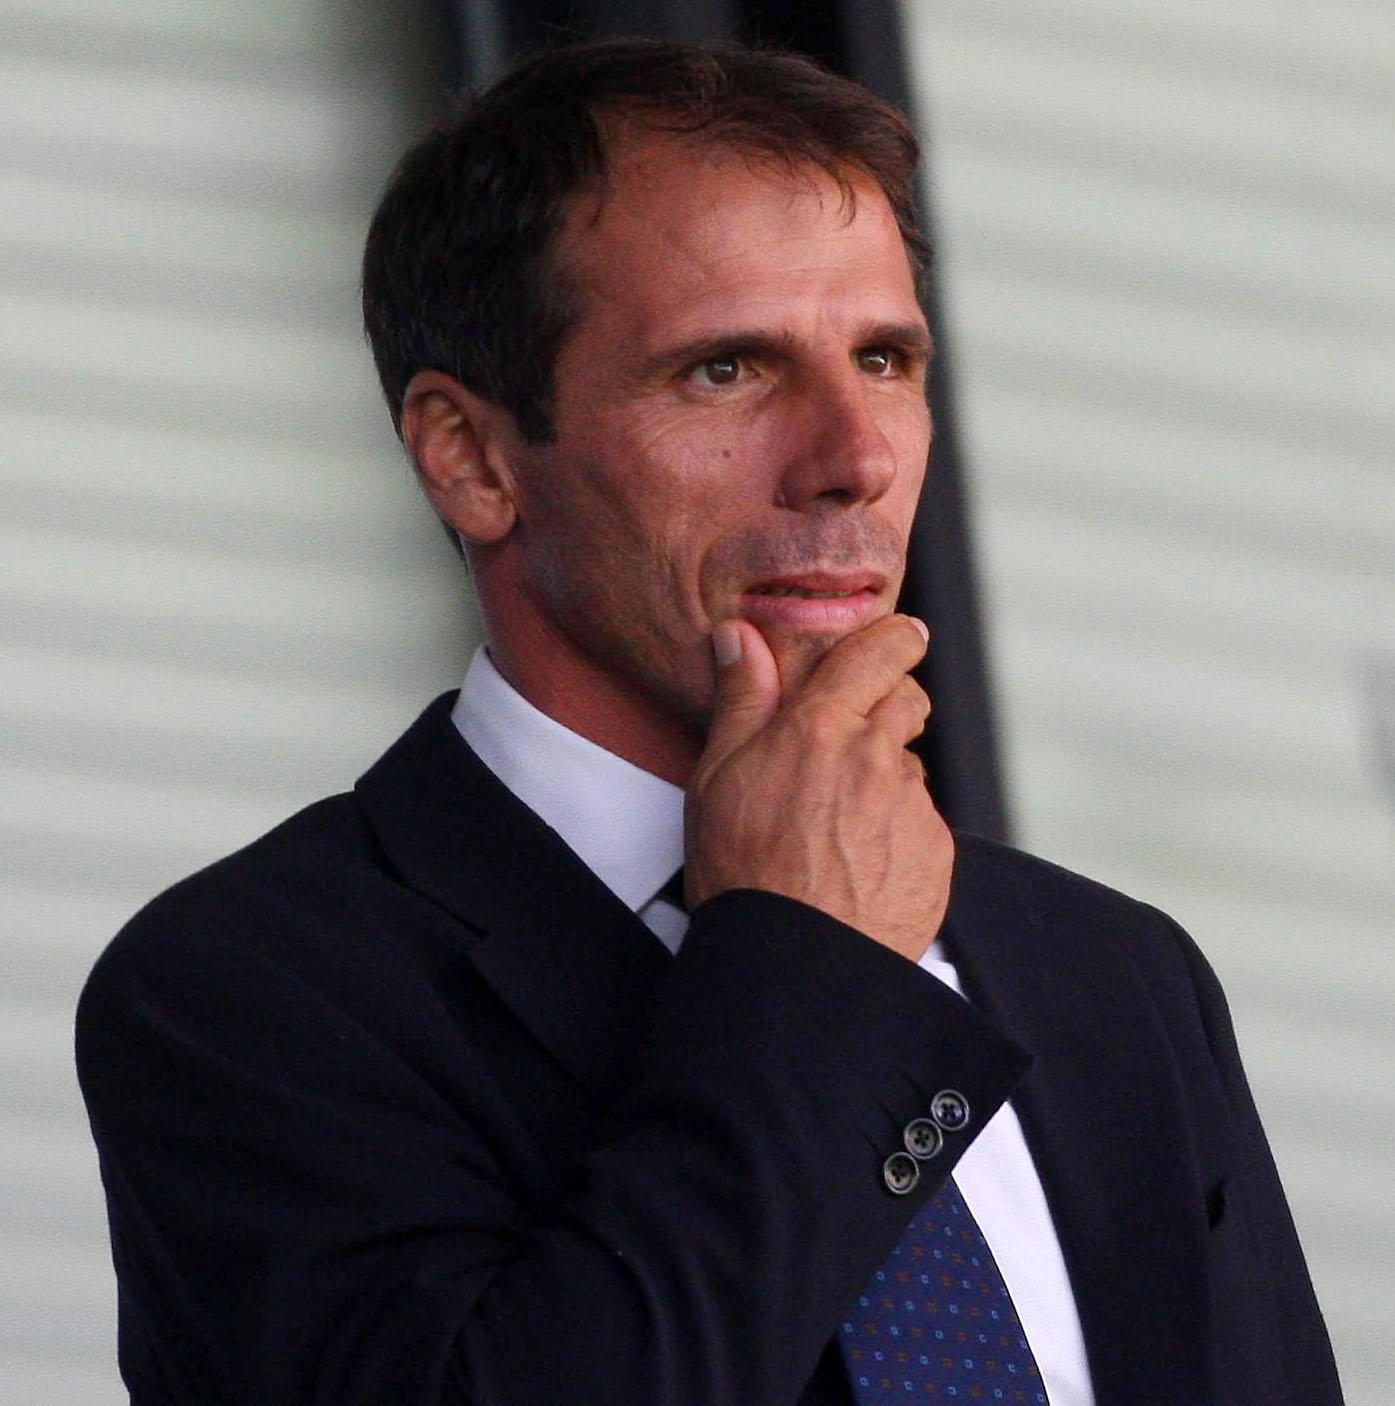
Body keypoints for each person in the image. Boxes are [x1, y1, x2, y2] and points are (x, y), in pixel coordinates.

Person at [77, 37, 1341, 1406]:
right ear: (473, 458)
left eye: (884, 358)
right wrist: (813, 969)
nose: (855, 457)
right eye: (727, 369)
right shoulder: (250, 992)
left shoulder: (1116, 975)